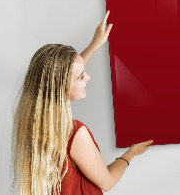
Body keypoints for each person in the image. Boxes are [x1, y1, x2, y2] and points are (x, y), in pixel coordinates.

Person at [12, 11, 153, 195]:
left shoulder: (32, 121)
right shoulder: (75, 134)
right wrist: (130, 154)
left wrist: (95, 45)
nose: (88, 77)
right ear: (60, 87)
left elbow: (64, 76)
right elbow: (108, 182)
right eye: (81, 77)